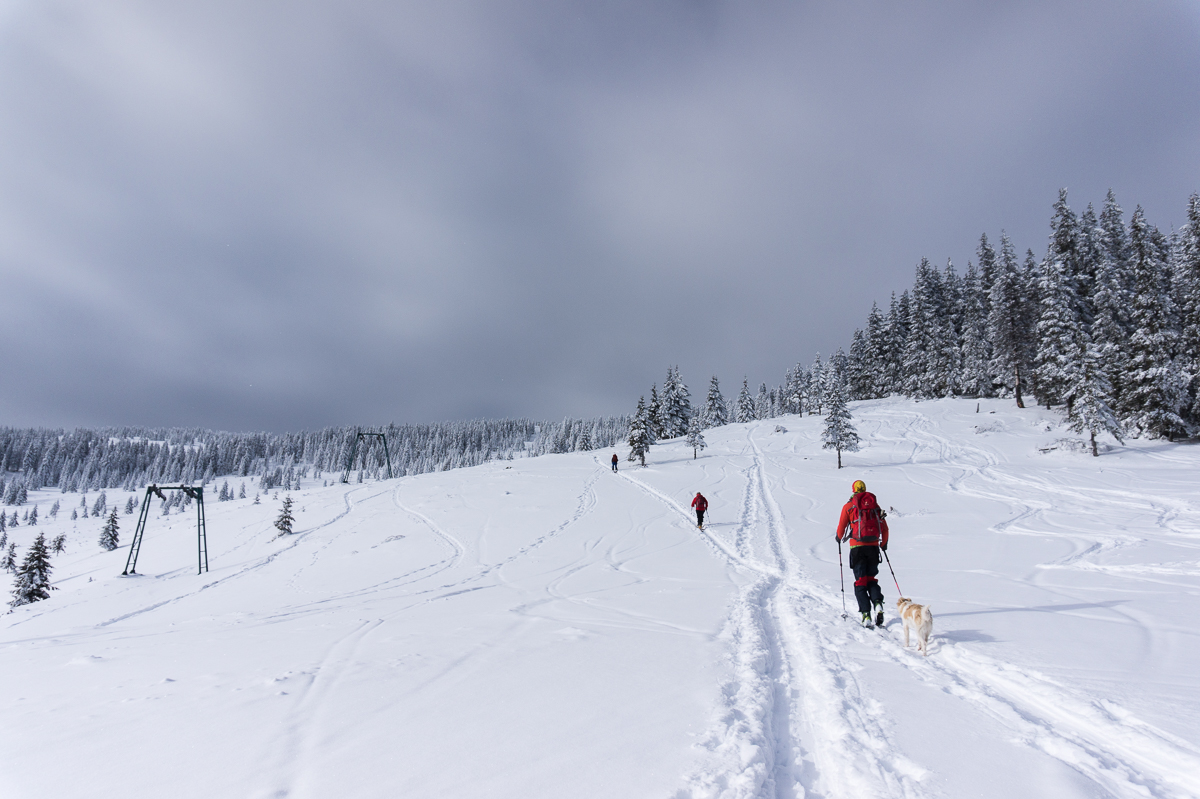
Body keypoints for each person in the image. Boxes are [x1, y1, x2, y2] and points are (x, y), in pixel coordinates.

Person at [836, 479, 889, 627]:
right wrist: (883, 544)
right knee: (871, 578)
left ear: (853, 490)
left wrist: (838, 538)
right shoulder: (874, 507)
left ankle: (866, 615)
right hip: (873, 548)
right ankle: (878, 603)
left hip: (857, 548)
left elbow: (842, 526)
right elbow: (884, 528)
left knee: (860, 582)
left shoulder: (849, 506)